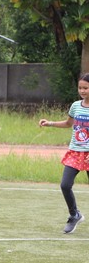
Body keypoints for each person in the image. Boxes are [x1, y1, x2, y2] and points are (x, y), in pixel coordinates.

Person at [39, 72, 89, 234]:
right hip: (75, 152)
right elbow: (68, 123)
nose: (82, 91)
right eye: (80, 88)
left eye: (86, 88)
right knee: (65, 185)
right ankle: (74, 214)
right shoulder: (75, 106)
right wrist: (50, 123)